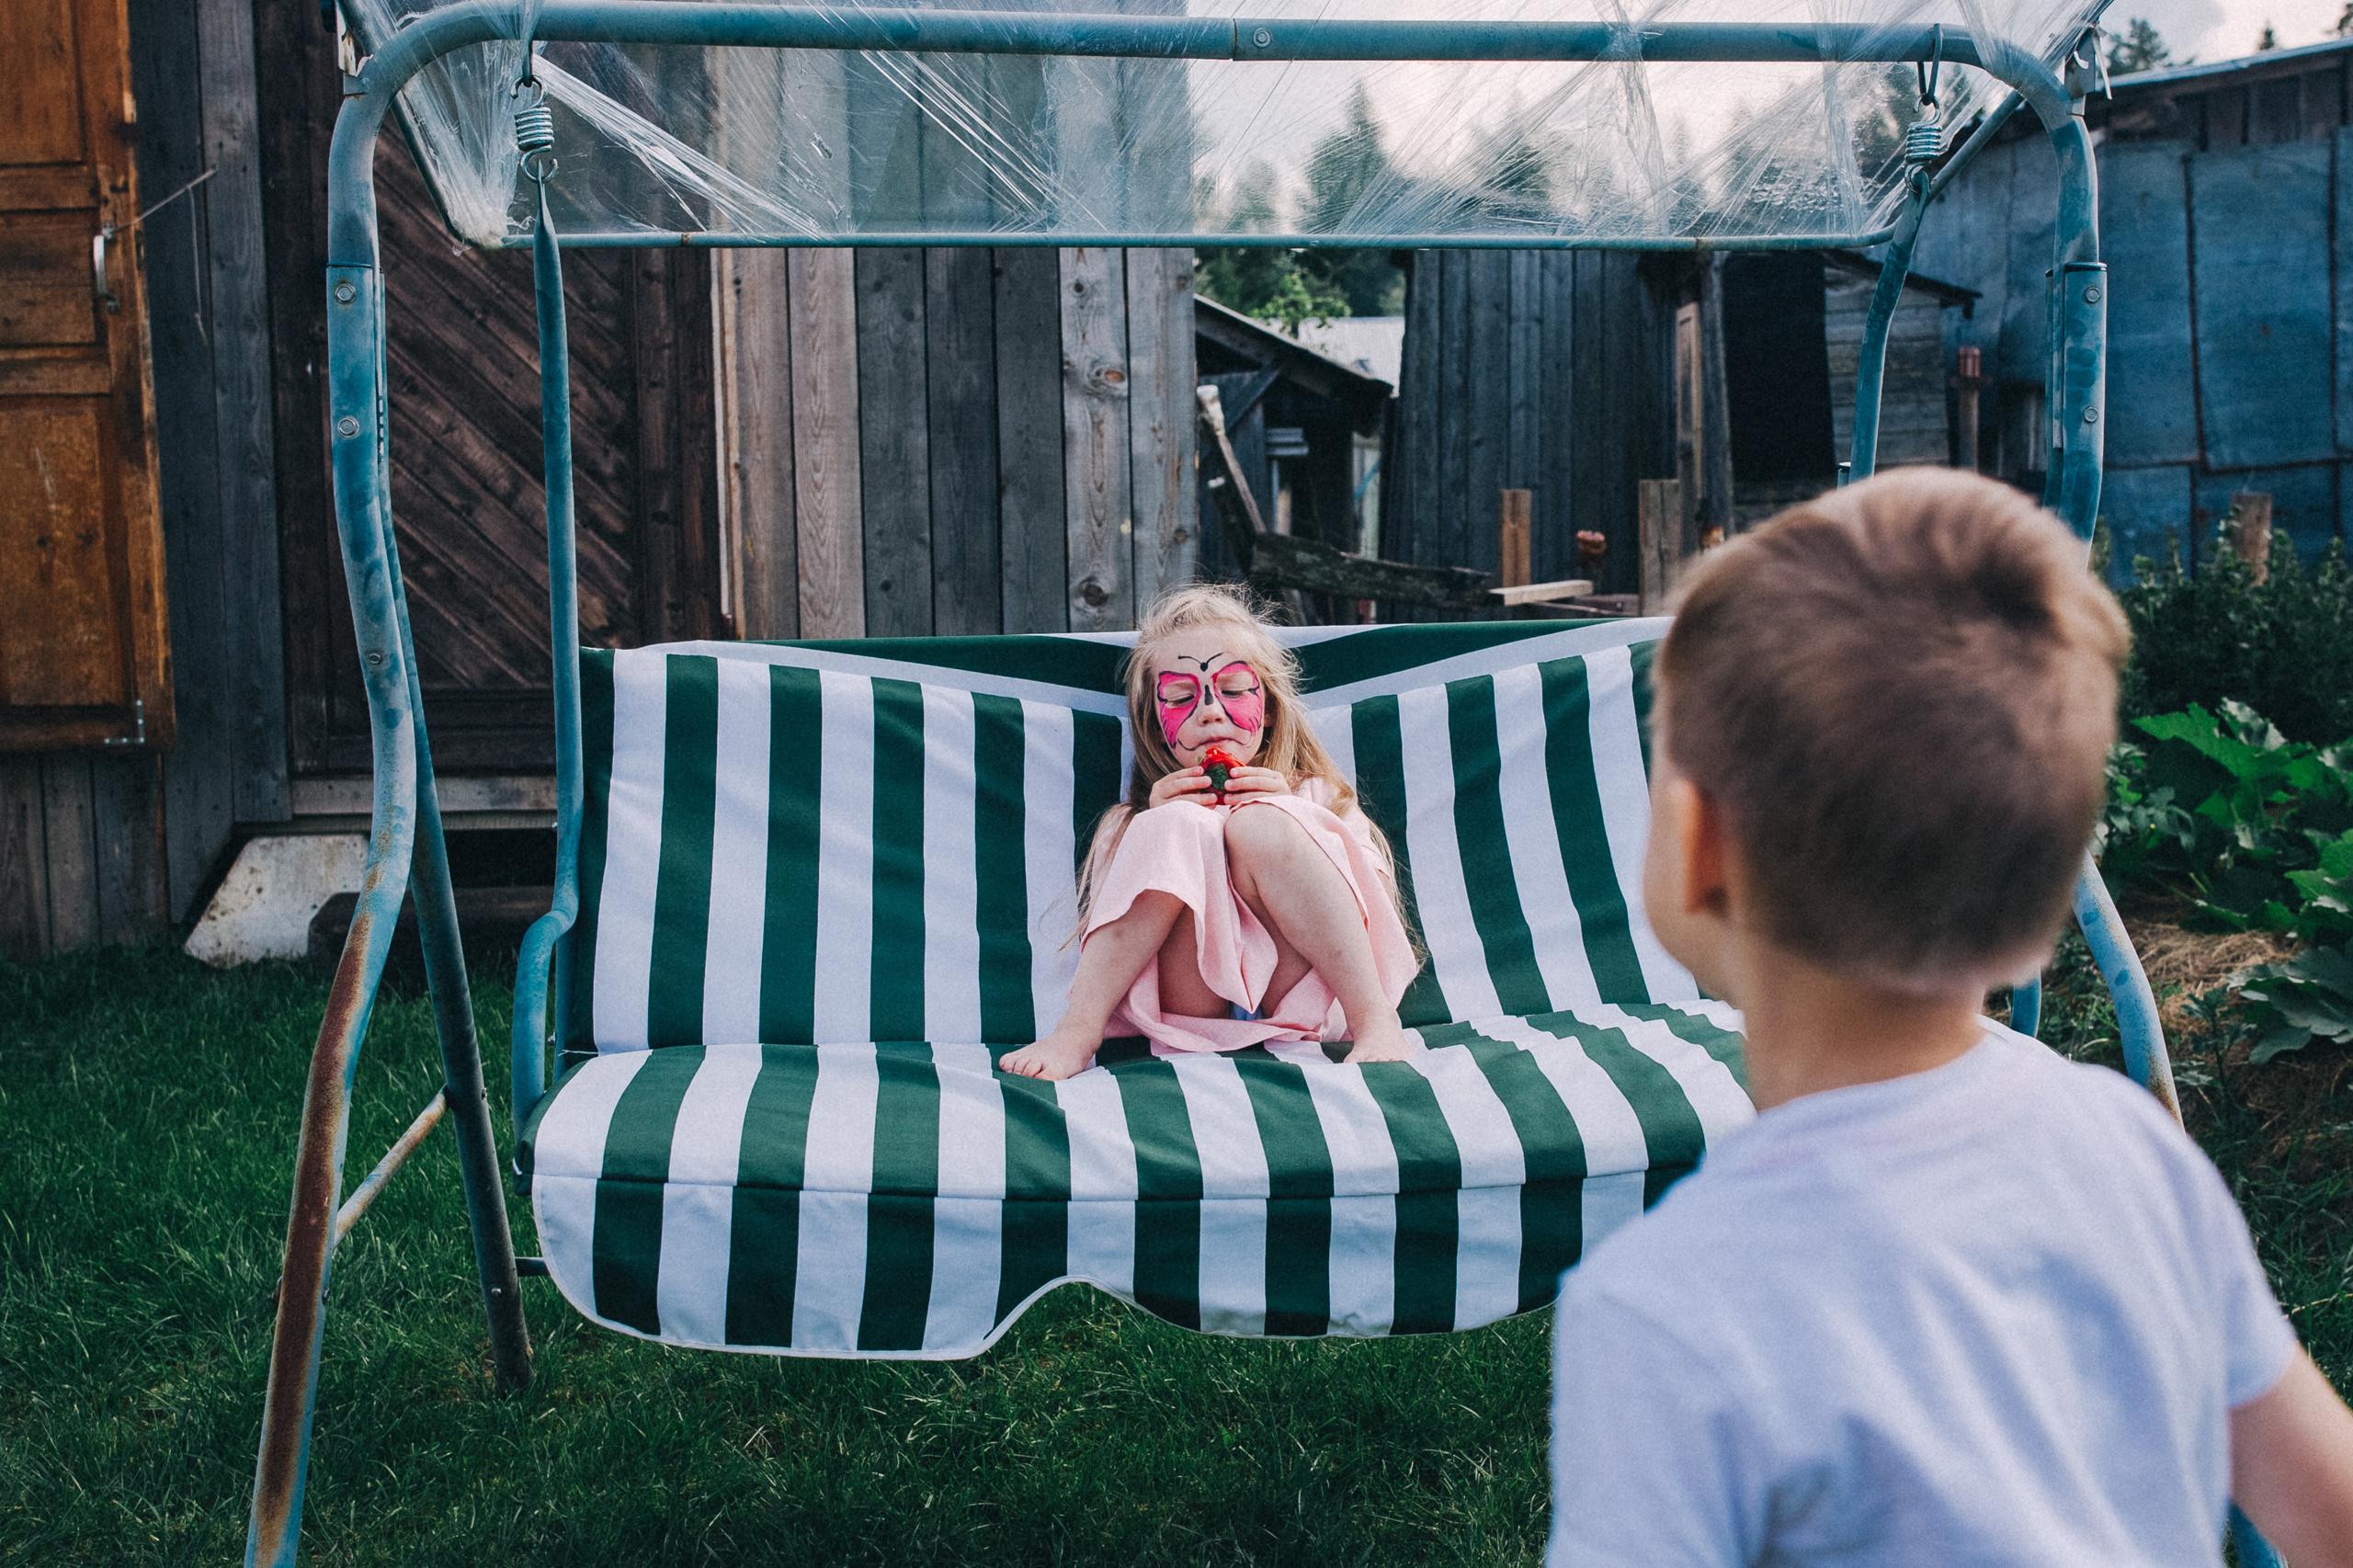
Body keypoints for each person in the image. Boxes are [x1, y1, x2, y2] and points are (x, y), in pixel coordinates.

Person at [1549, 469, 2353, 1565]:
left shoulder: (1664, 1308)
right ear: (2043, 907)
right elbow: (2328, 1508)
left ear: (1699, 847)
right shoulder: (2133, 1151)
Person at [998, 585, 1419, 1081]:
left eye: (1235, 690)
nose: (1211, 710)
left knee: (1261, 823)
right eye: (1181, 697)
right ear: (1157, 726)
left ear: (1270, 708)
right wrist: (1152, 829)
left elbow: (1372, 901)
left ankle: (1375, 1020)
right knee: (1176, 825)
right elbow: (1113, 922)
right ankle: (1076, 1032)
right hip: (1190, 1008)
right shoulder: (1137, 819)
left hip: (1308, 999)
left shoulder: (1317, 794)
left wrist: (1293, 814)